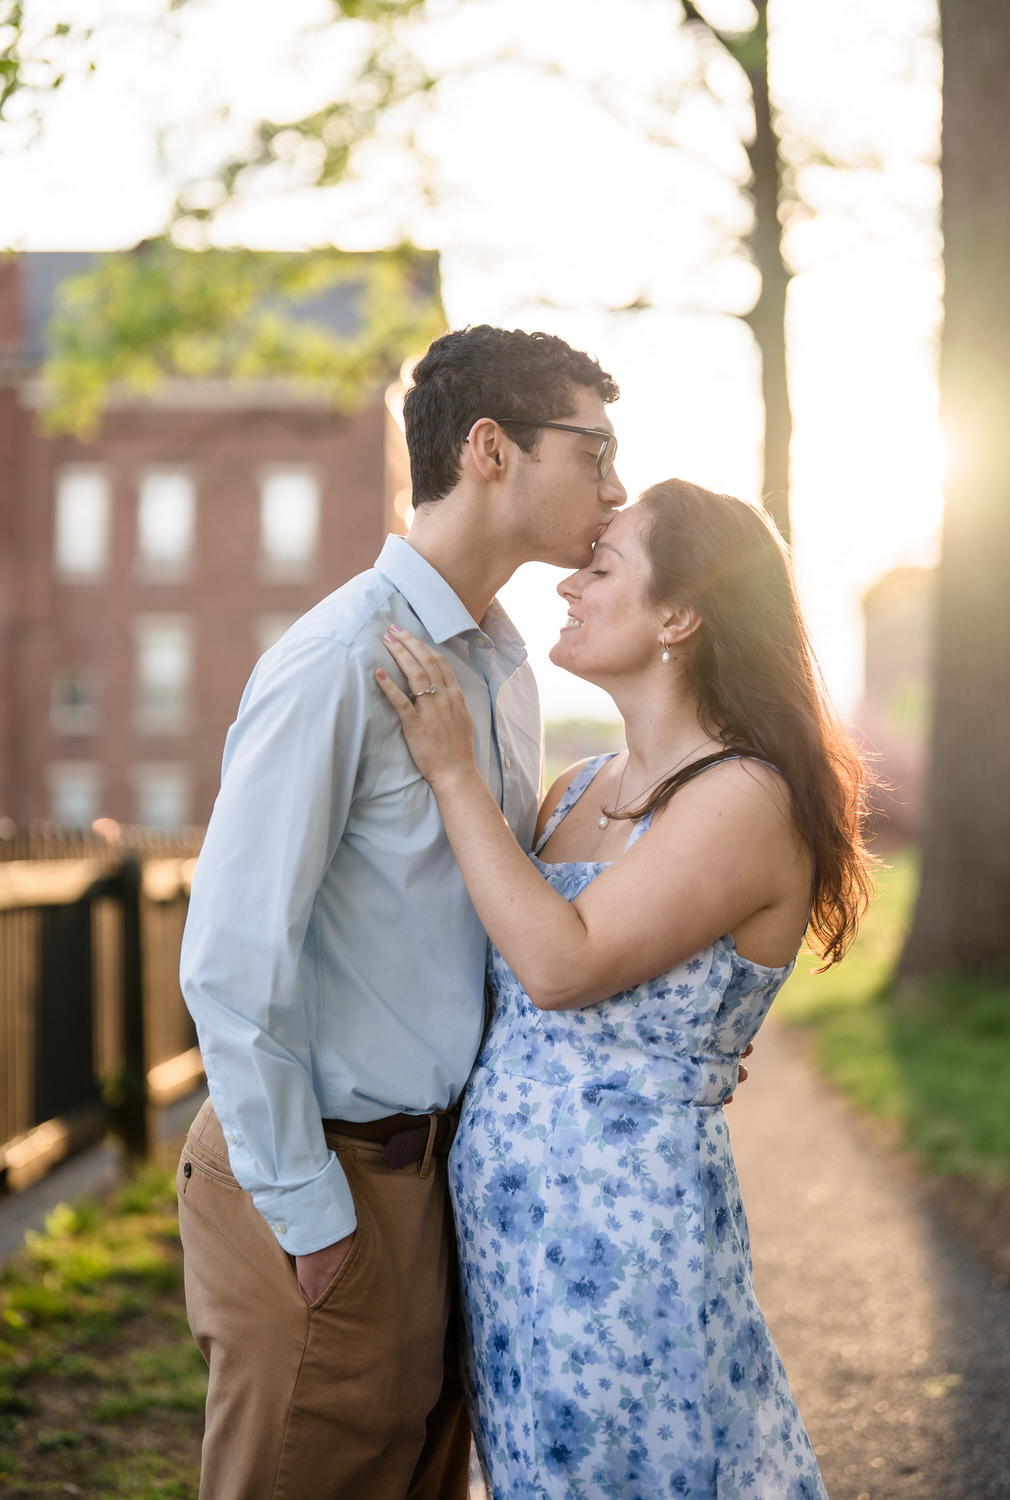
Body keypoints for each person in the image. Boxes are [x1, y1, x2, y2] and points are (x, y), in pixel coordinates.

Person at [175, 324, 629, 1500]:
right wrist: (307, 1214)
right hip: (322, 1176)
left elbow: (499, 921)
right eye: (594, 449)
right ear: (490, 448)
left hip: (436, 1183)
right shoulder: (337, 660)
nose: (615, 486)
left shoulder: (504, 667)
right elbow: (230, 959)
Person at [376, 477, 874, 1500]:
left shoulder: (741, 796)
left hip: (623, 1246)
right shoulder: (576, 787)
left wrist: (452, 773)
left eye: (601, 569)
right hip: (512, 1244)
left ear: (679, 616)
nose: (568, 584)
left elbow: (557, 969)